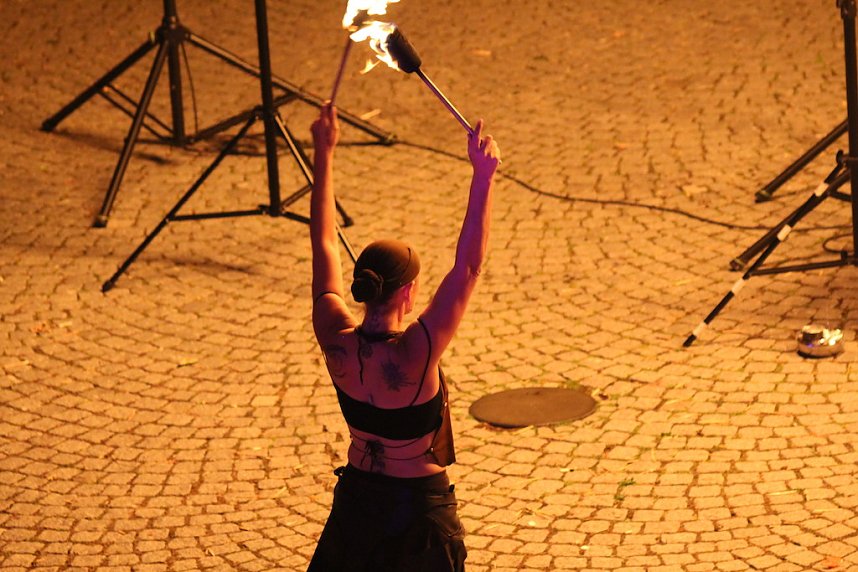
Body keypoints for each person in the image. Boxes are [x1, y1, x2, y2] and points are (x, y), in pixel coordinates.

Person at [307, 102, 500, 572]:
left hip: (357, 505)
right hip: (418, 513)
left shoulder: (335, 337)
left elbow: (324, 242)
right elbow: (469, 268)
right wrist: (482, 178)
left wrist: (323, 153)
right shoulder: (416, 351)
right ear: (409, 292)